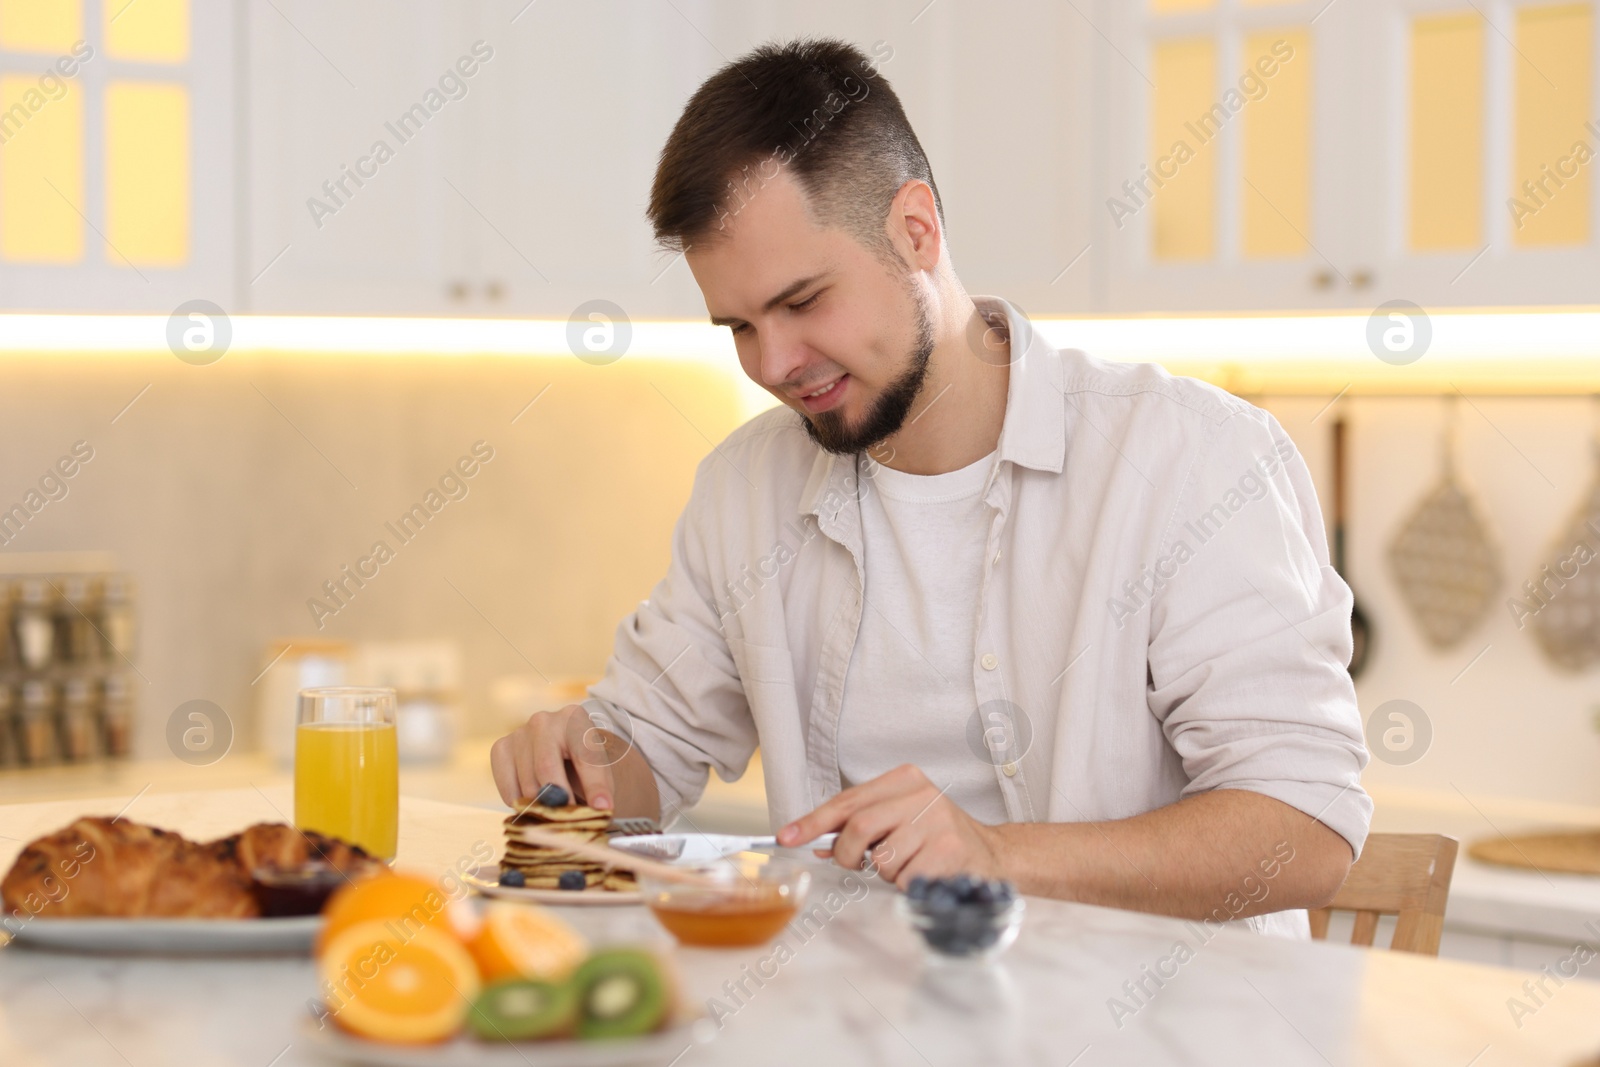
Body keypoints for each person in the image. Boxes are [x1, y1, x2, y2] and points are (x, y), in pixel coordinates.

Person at [491, 37, 1370, 936]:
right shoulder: (743, 490)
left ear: (916, 230)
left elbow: (1307, 829)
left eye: (803, 302)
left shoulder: (1190, 458)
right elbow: (650, 757)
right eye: (740, 327)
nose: (775, 363)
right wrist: (586, 760)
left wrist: (996, 855)